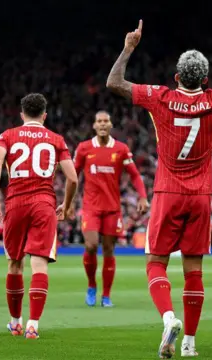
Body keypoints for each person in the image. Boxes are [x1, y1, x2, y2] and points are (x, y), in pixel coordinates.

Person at [107, 19, 212, 358]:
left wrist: (128, 47)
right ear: (205, 80)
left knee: (155, 262)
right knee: (194, 270)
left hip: (167, 192)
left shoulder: (159, 96)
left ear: (177, 77)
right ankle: (190, 344)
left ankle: (168, 317)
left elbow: (114, 83)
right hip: (200, 195)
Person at [0, 93, 78, 339]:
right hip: (44, 203)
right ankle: (33, 326)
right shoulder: (56, 139)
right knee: (39, 264)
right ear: (45, 115)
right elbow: (72, 177)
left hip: (15, 203)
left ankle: (15, 323)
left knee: (14, 264)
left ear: (21, 114)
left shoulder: (7, 135)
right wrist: (66, 204)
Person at [73, 110, 148, 307]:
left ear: (111, 124)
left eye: (106, 121)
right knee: (90, 245)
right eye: (99, 121)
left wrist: (142, 196)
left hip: (112, 209)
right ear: (94, 125)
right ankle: (91, 285)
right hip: (91, 207)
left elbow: (134, 175)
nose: (103, 124)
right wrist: (69, 201)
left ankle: (106, 295)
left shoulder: (121, 149)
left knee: (108, 250)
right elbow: (74, 175)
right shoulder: (84, 148)